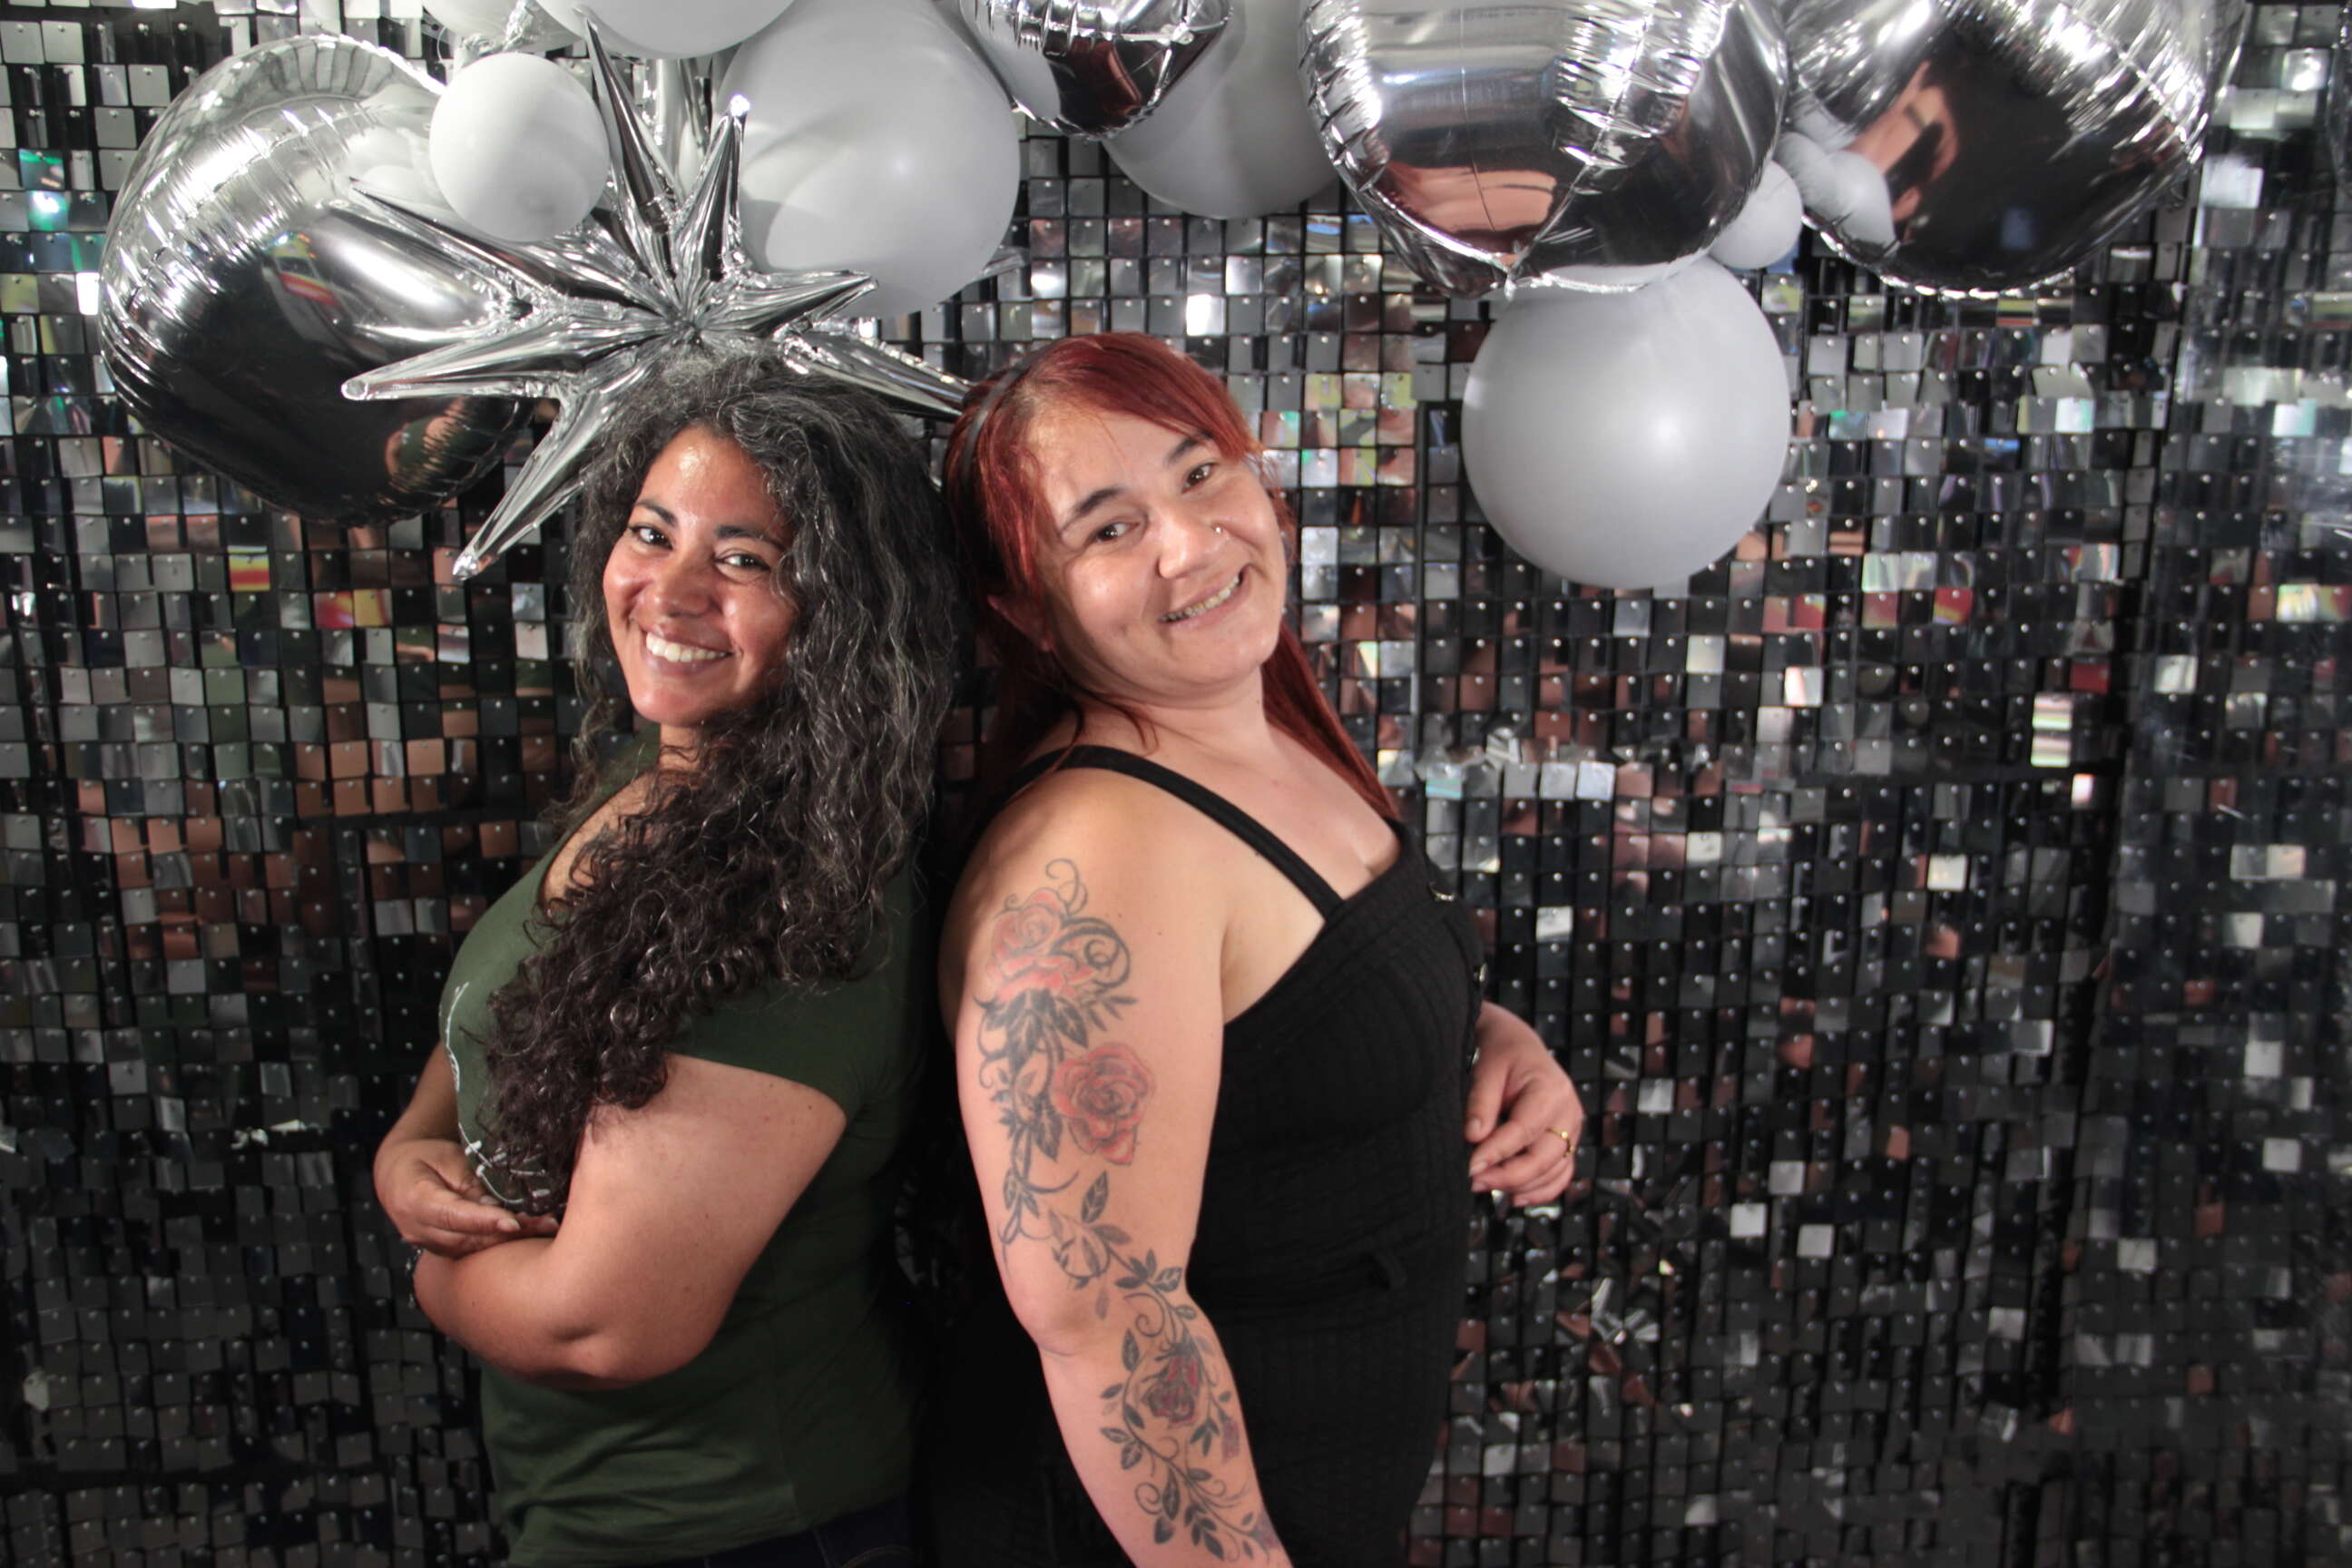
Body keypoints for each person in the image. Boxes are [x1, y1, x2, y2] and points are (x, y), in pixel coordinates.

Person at [926, 332, 1585, 1566]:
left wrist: (1481, 1043)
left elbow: (1294, 1017)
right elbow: (1104, 1320)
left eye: (1200, 474)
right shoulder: (1101, 858)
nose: (1191, 543)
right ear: (1026, 607)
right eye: (1109, 528)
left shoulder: (1264, 733)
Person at [371, 352, 956, 1567]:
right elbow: (504, 1004)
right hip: (600, 1511)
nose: (670, 592)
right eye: (652, 533)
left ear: (841, 608)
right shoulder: (665, 777)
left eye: (745, 560)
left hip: (747, 1524)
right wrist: (407, 1151)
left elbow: (602, 1330)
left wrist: (425, 1262)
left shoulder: (795, 895)